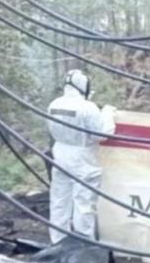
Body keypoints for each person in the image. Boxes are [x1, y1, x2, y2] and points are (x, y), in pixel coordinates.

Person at [46, 69, 116, 243]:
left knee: (59, 202)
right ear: (84, 85)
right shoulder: (87, 107)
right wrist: (108, 115)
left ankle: (57, 242)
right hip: (82, 156)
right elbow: (101, 134)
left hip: (60, 154)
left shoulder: (54, 104)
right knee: (83, 203)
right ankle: (84, 245)